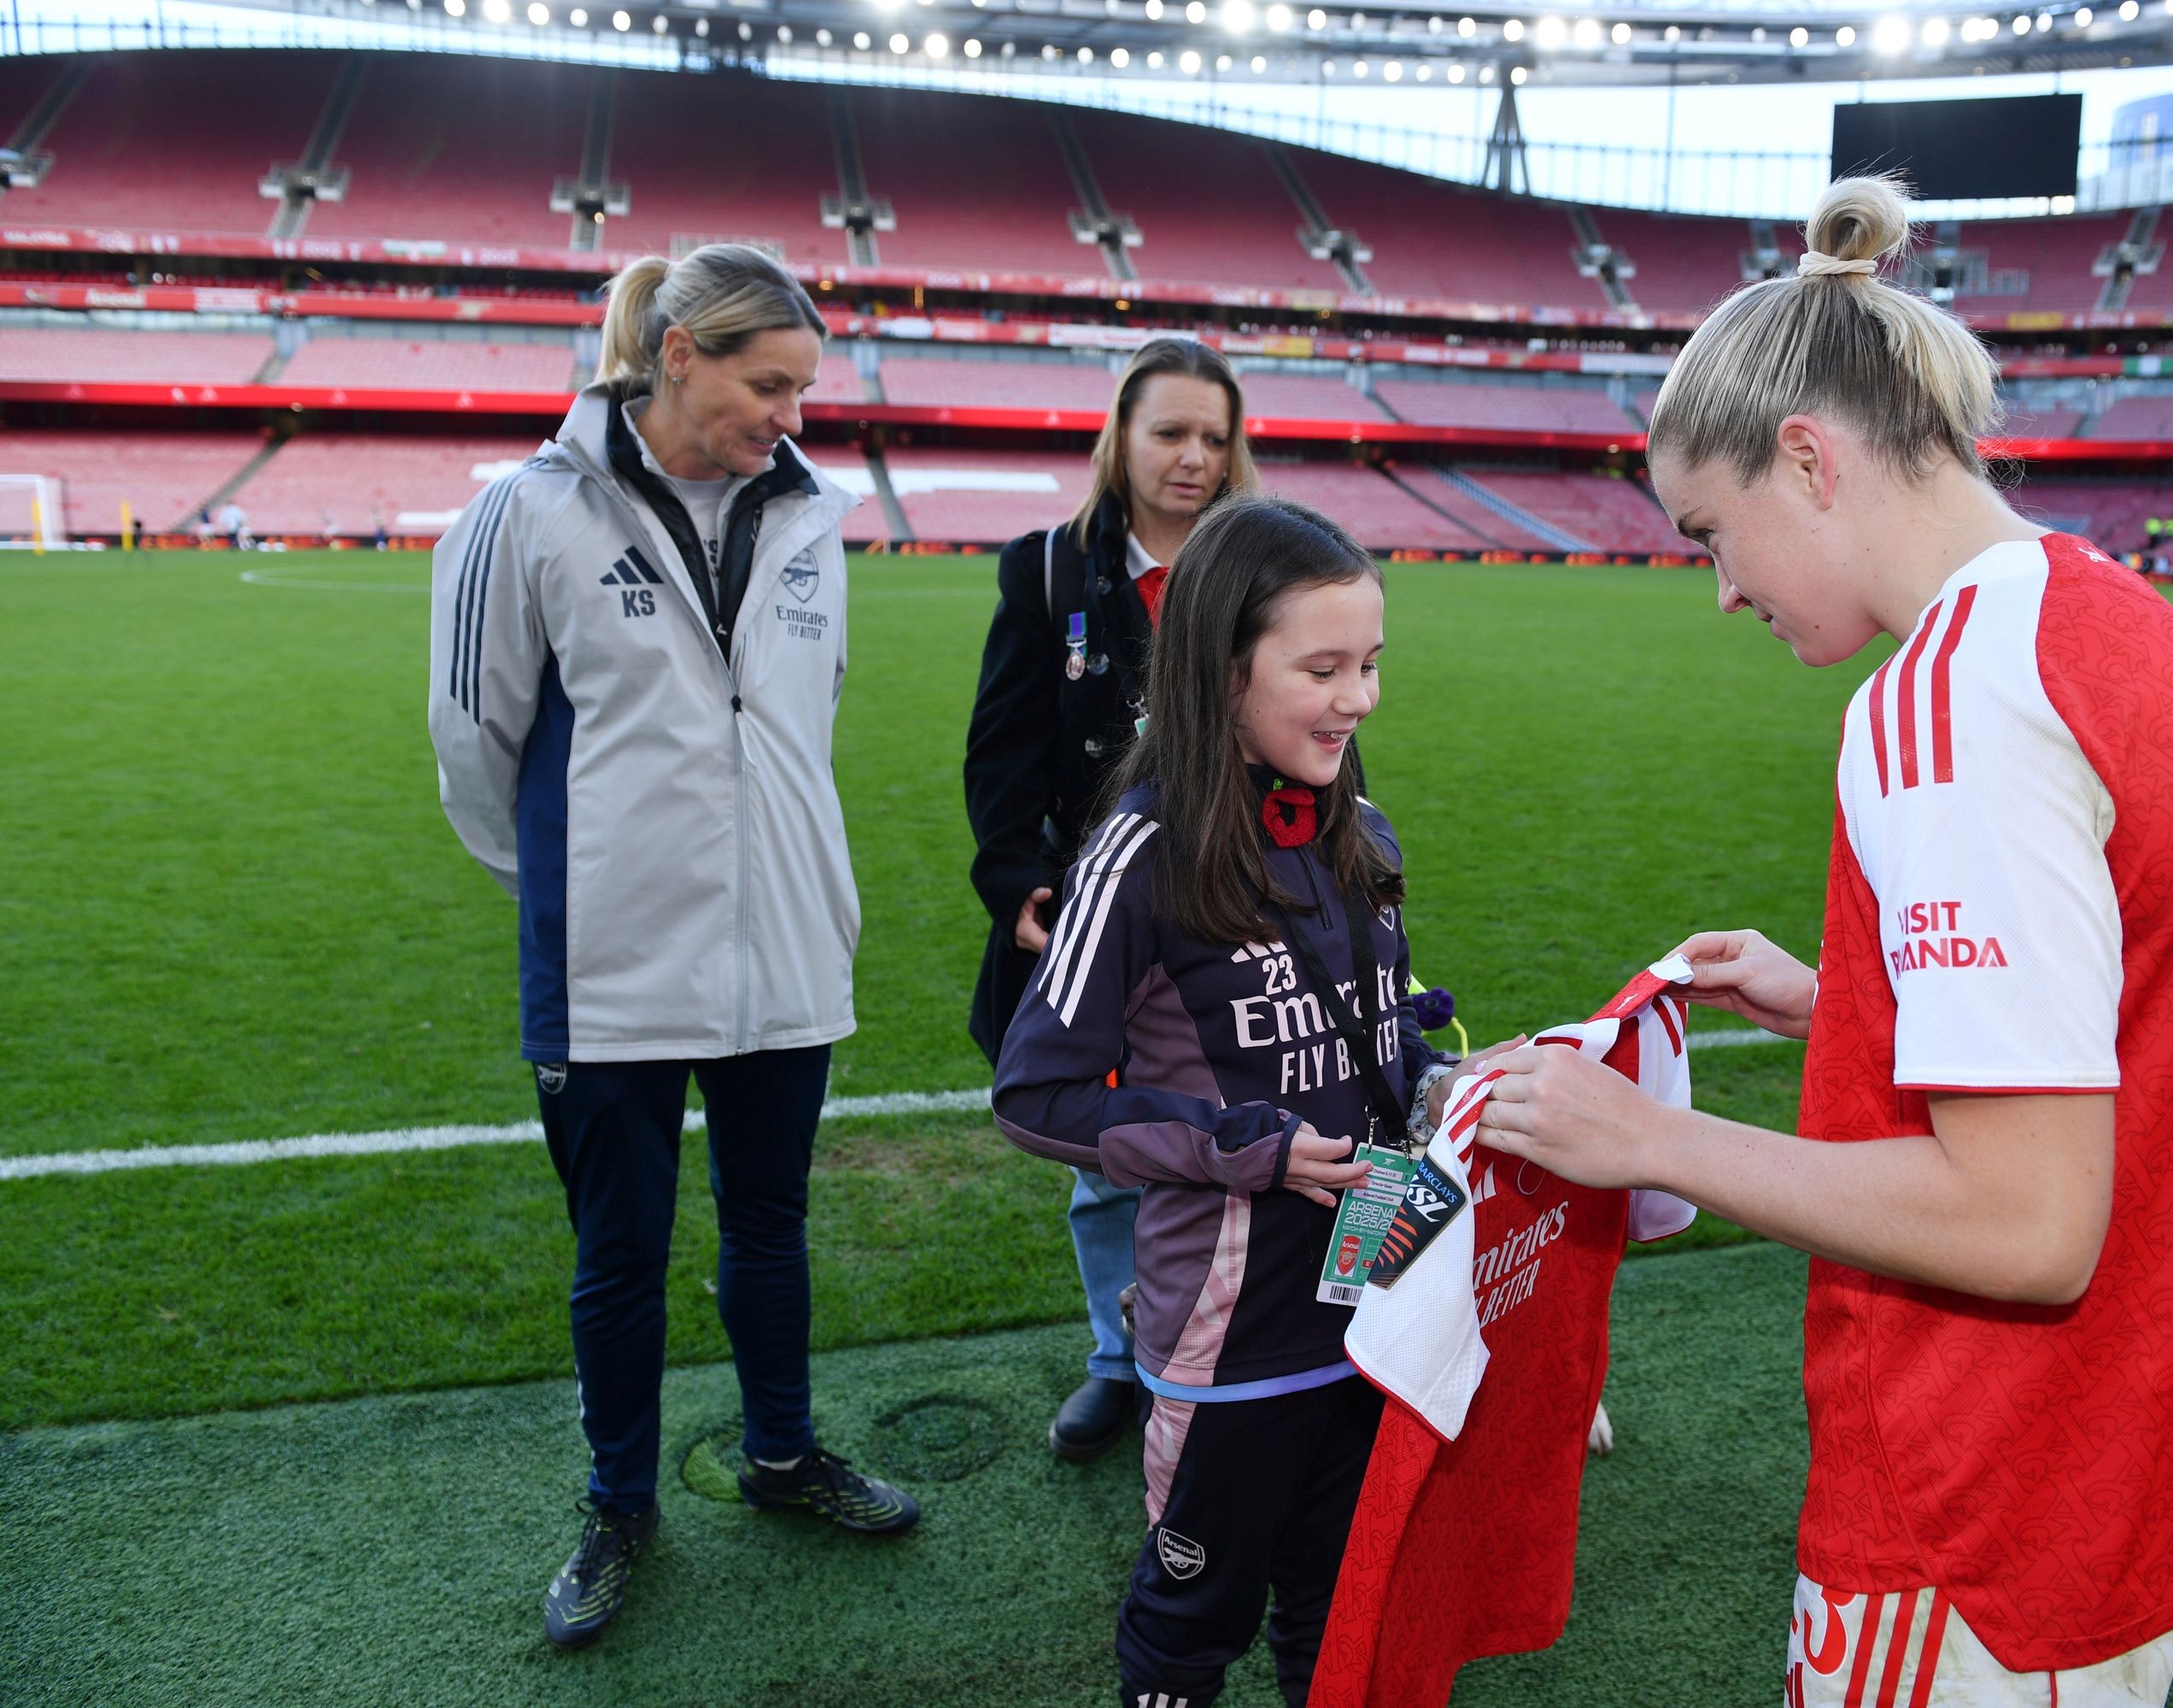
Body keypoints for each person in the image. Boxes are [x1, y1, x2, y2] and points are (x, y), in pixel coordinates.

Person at [1475, 176, 2173, 1708]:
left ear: (1806, 458)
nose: (1721, 586)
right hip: (2142, 1422)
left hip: (1992, 1484)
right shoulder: (2121, 613)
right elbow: (2131, 994)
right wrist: (1851, 1006)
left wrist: (1649, 1143)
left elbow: (2021, 1225)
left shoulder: (1947, 699)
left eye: (1711, 531)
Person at [427, 243, 921, 1653]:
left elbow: (805, 709)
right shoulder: (526, 512)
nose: (791, 415)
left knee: (770, 1227)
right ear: (680, 354)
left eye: (804, 389)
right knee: (620, 1251)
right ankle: (618, 1504)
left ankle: (782, 1456)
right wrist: (580, 889)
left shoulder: (814, 515)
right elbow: (475, 740)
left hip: (787, 948)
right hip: (607, 963)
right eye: (768, 383)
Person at [992, 494, 1469, 1708]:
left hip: (1371, 1315)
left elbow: (1378, 1049)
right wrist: (1245, 1146)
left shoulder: (1360, 833)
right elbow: (1036, 1091)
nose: (1358, 696)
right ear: (1220, 668)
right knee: (1191, 1617)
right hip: (1230, 1343)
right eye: (1321, 667)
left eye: (1370, 663)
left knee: (1340, 1600)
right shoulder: (1141, 856)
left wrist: (1446, 1082)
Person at [964, 336, 1260, 1460]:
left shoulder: (1264, 567)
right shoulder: (1047, 568)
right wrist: (1017, 888)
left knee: (1243, 1142)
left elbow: (1329, 736)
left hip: (1237, 917)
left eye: (1214, 439)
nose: (1193, 458)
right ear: (1121, 437)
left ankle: (1221, 1350)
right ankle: (1115, 1359)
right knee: (1107, 1163)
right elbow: (1001, 756)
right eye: (1170, 433)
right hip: (1097, 920)